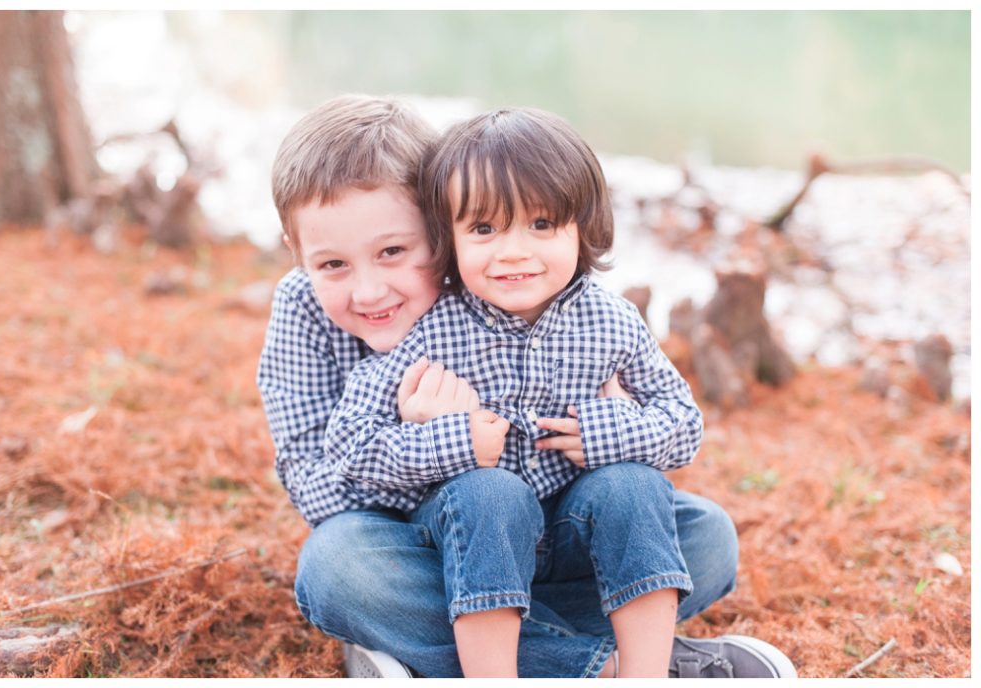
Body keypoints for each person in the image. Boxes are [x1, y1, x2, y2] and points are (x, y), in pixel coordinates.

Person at [258, 95, 796, 678]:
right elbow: (319, 483)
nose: (368, 292)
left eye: (394, 252)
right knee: (342, 571)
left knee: (707, 538)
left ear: (438, 232)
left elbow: (673, 425)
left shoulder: (532, 294)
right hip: (419, 548)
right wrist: (434, 443)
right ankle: (610, 662)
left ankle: (432, 647)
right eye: (333, 265)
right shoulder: (313, 312)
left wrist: (614, 431)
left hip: (561, 532)